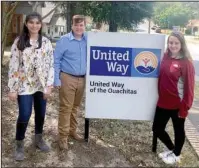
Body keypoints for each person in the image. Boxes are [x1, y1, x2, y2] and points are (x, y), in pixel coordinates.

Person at [7, 12, 54, 161]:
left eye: (37, 23)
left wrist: (49, 86)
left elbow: (51, 65)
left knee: (40, 114)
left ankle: (38, 139)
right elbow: (13, 66)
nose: (34, 25)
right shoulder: (19, 41)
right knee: (25, 114)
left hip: (41, 85)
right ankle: (19, 144)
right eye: (31, 22)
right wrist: (12, 88)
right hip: (24, 85)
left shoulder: (46, 42)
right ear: (26, 24)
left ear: (41, 25)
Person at [152, 31, 195, 164]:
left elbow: (189, 87)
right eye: (171, 42)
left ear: (181, 44)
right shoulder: (165, 56)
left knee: (178, 130)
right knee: (157, 129)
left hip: (178, 104)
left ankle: (176, 154)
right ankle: (172, 148)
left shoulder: (186, 63)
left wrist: (185, 106)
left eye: (176, 43)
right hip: (163, 102)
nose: (173, 45)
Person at [54, 15, 87, 150]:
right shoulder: (64, 40)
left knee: (75, 107)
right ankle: (63, 137)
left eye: (82, 25)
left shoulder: (88, 39)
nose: (79, 28)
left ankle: (72, 131)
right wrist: (57, 79)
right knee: (66, 108)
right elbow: (56, 61)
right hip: (67, 77)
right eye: (76, 25)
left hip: (82, 79)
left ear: (85, 26)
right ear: (72, 26)